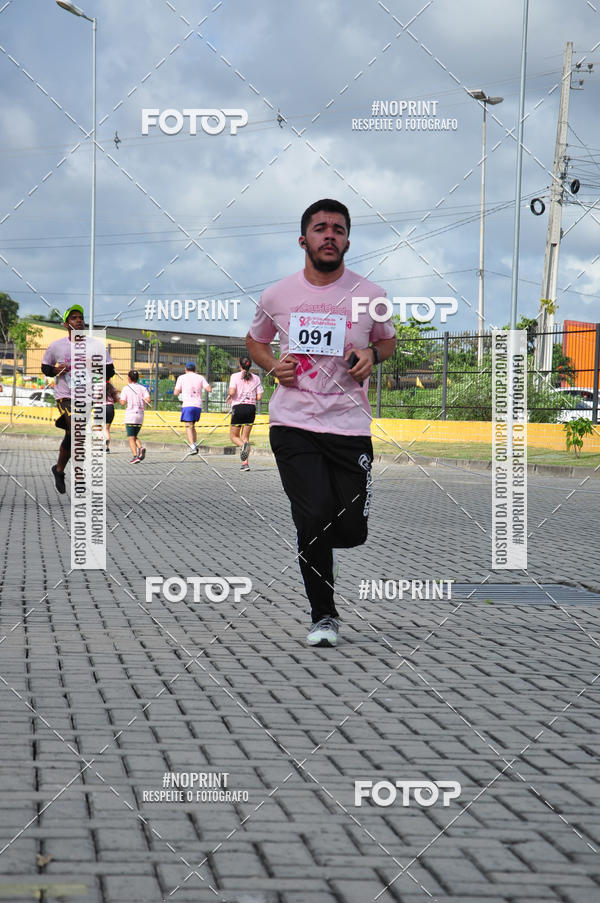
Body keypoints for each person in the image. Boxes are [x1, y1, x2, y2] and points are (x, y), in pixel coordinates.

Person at [246, 199, 396, 647]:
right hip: (293, 423)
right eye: (320, 228)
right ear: (303, 240)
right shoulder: (277, 295)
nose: (329, 235)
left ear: (347, 241)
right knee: (312, 518)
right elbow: (255, 341)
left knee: (350, 529)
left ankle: (324, 545)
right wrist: (272, 365)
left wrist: (371, 354)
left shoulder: (372, 295)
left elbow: (387, 344)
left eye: (338, 229)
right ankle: (324, 616)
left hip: (349, 426)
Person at [41, 304, 114, 494]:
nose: (79, 320)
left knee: (71, 435)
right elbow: (45, 367)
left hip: (86, 398)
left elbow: (110, 370)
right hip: (65, 396)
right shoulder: (56, 346)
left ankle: (58, 470)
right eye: (74, 318)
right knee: (77, 430)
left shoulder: (95, 345)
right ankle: (79, 477)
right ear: (66, 324)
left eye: (80, 317)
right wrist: (54, 370)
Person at [227, 356, 263, 471]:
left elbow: (232, 391)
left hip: (238, 407)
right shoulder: (256, 378)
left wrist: (230, 395)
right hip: (251, 409)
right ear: (250, 365)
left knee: (234, 436)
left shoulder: (234, 376)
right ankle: (245, 463)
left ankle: (243, 446)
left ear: (239, 365)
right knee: (245, 437)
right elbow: (259, 397)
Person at [173, 361, 211, 454]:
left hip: (188, 405)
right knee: (192, 426)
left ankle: (192, 447)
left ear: (185, 369)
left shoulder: (181, 377)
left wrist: (183, 390)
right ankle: (194, 444)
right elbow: (209, 389)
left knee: (188, 426)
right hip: (197, 405)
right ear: (195, 369)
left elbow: (176, 392)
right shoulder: (200, 377)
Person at [119, 370, 150, 463]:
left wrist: (119, 399)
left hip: (130, 414)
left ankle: (135, 456)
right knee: (134, 436)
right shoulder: (143, 388)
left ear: (129, 378)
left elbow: (122, 402)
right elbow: (148, 399)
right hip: (140, 414)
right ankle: (140, 448)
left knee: (130, 437)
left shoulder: (126, 388)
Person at [104, 379, 119, 453]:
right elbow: (116, 399)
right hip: (110, 408)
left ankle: (104, 441)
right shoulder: (112, 388)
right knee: (107, 429)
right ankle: (106, 448)